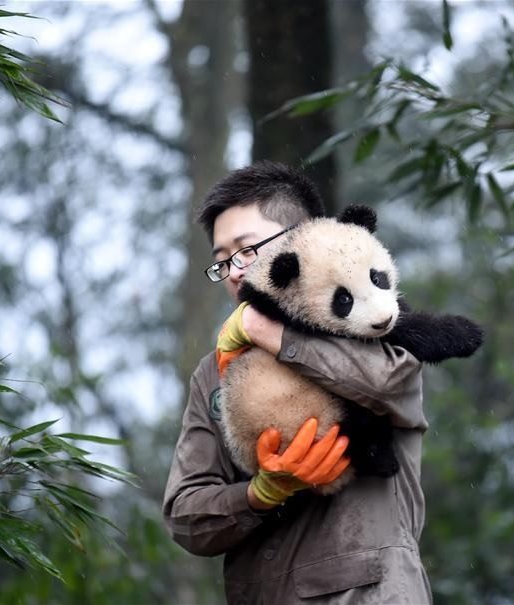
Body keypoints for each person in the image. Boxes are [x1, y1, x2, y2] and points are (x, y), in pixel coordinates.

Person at [163, 161, 433, 604]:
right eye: (222, 261)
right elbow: (185, 516)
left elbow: (387, 384)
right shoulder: (213, 372)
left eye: (246, 250)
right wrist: (259, 494)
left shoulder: (373, 319)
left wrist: (272, 335)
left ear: (303, 239)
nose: (234, 270)